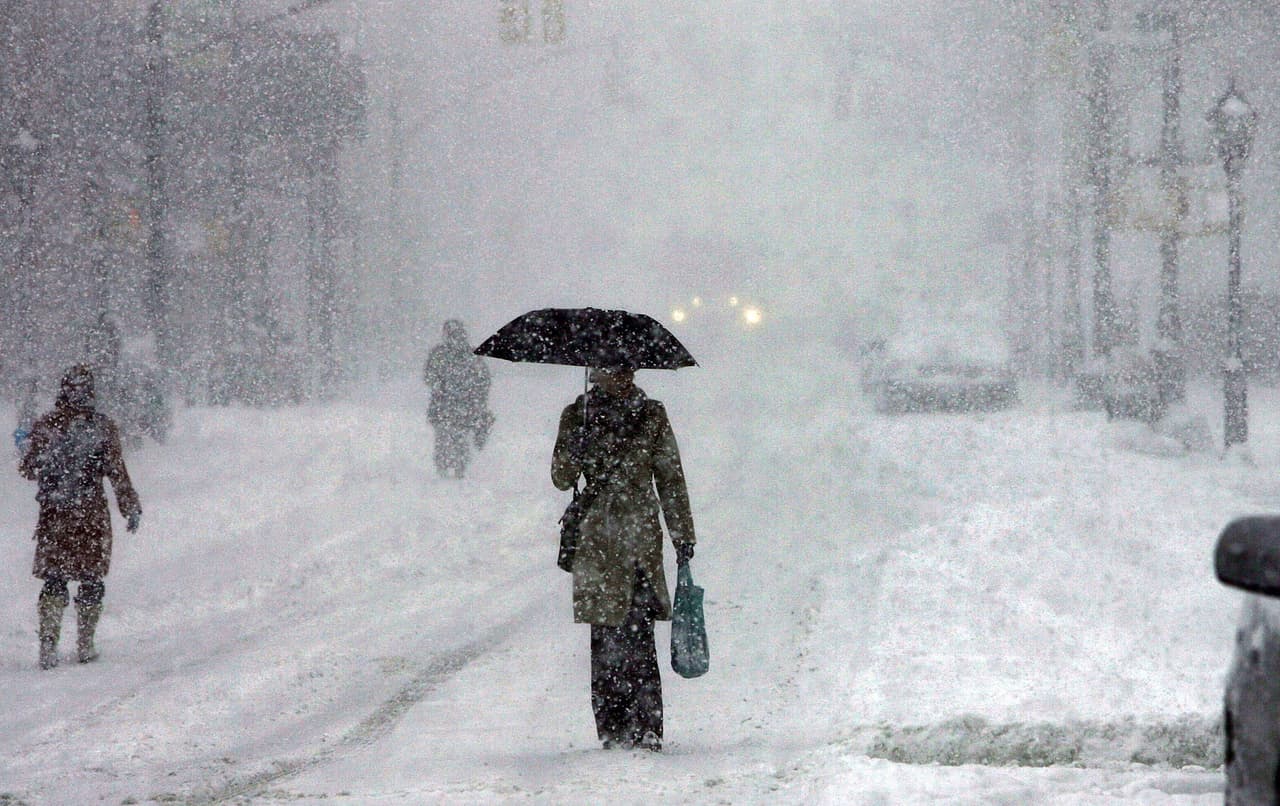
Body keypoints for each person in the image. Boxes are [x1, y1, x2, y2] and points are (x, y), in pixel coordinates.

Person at [551, 366, 696, 752]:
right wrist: (575, 445)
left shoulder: (651, 414)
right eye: (613, 368)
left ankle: (647, 726)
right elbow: (561, 477)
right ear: (595, 373)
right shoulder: (576, 415)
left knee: (639, 633)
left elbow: (670, 477)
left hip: (639, 538)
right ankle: (612, 727)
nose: (622, 374)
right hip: (597, 539)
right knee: (605, 636)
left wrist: (683, 535)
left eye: (627, 367)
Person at [19, 365, 142, 669]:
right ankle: (85, 644)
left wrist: (27, 447)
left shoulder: (47, 425)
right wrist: (130, 505)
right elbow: (116, 471)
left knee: (54, 579)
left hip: (54, 515)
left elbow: (28, 469)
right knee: (91, 579)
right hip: (91, 515)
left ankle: (48, 644)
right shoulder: (102, 427)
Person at [423, 320, 493, 478]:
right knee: (457, 438)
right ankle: (456, 468)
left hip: (446, 406)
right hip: (462, 406)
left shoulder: (439, 354)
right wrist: (476, 398)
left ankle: (446, 468)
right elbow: (484, 380)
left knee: (445, 438)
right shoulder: (471, 354)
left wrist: (440, 385)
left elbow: (429, 377)